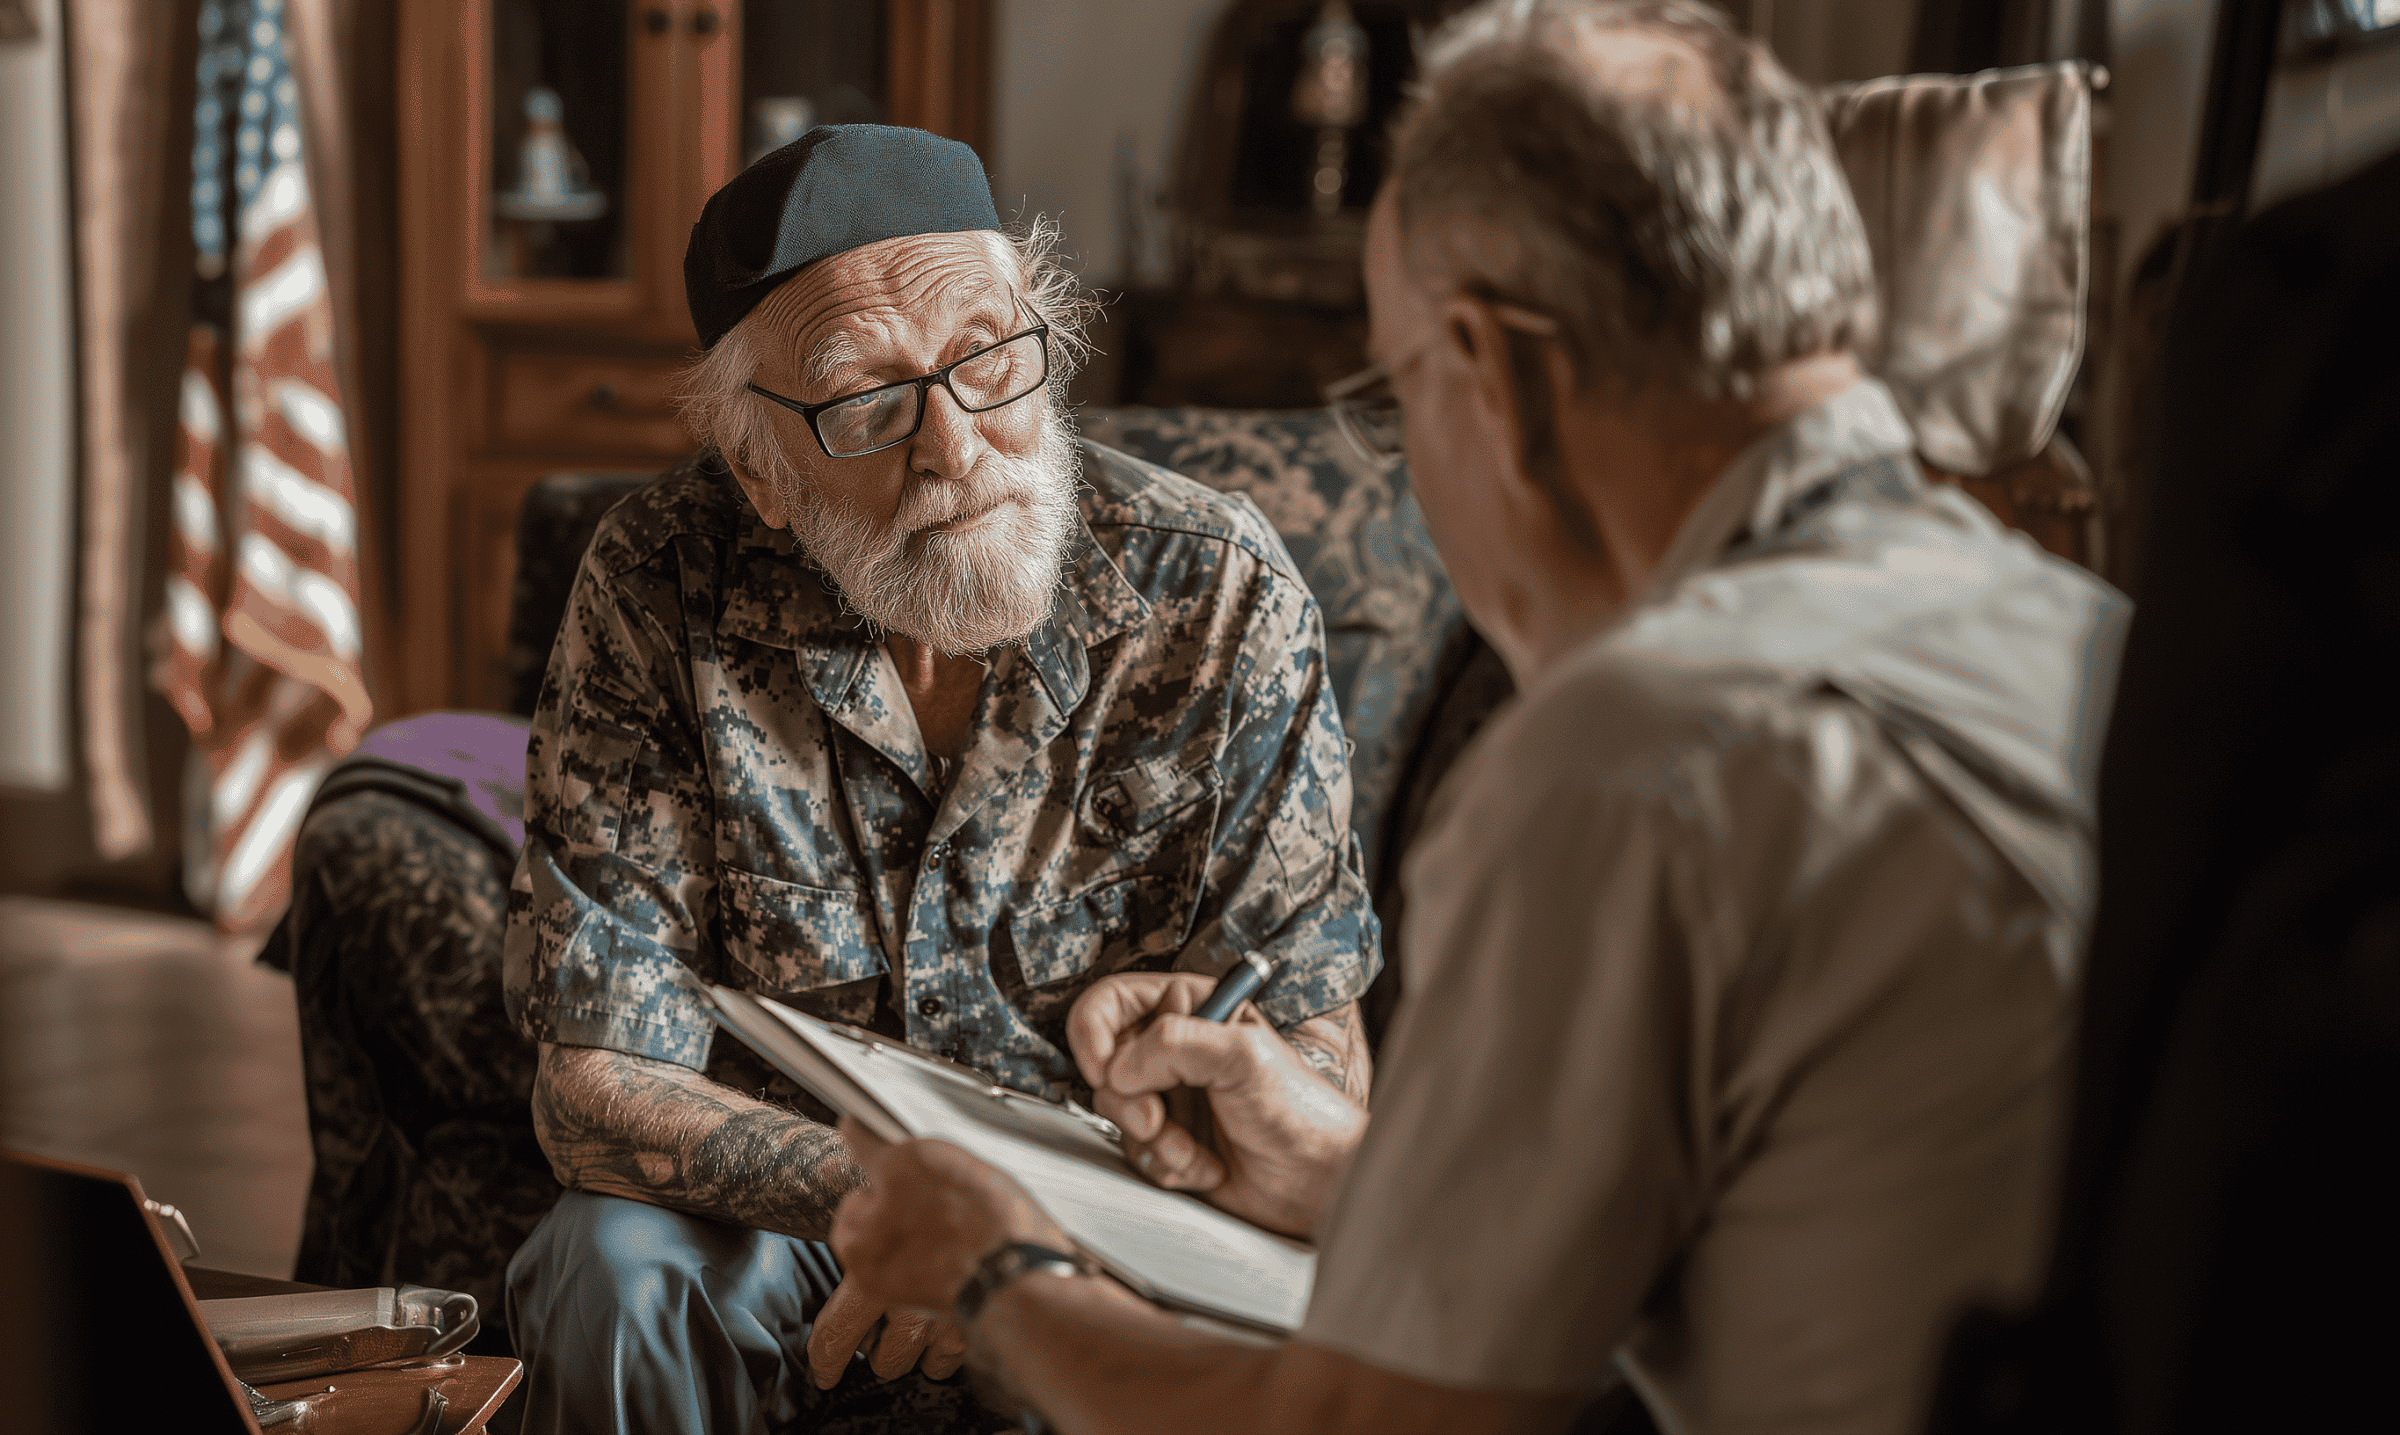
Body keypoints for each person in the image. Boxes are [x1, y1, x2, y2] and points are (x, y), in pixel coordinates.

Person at [825, 5, 2130, 1433]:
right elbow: (1784, 1196)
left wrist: (996, 1264)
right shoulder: (2084, 629)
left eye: (1395, 399)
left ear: (1494, 376)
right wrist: (1342, 1173)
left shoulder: (1640, 760)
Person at [496, 124, 1380, 1435]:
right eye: (867, 399)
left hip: (1120, 1211)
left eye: (986, 355)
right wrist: (910, 1195)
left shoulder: (1218, 592)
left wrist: (1046, 1221)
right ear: (764, 470)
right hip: (808, 1210)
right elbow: (593, 1078)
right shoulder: (657, 588)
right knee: (611, 1267)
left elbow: (1317, 1054)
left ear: (1046, 343)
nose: (956, 447)